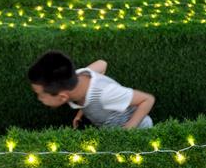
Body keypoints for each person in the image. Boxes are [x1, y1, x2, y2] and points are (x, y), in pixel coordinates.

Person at [27, 51, 155, 130]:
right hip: (109, 128)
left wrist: (128, 130)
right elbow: (102, 64)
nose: (39, 99)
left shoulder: (106, 94)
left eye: (41, 95)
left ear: (63, 97)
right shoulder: (78, 76)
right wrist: (80, 113)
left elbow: (147, 99)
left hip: (138, 130)